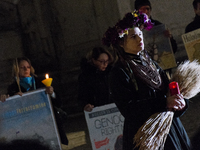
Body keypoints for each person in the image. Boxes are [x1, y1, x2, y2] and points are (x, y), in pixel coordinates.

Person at [102, 10, 191, 150]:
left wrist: (180, 103)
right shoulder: (119, 72)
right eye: (133, 37)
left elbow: (168, 92)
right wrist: (164, 103)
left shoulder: (151, 64)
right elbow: (129, 109)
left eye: (140, 35)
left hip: (170, 131)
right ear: (121, 43)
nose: (139, 39)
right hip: (145, 135)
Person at [0, 57, 68, 145]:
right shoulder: (13, 88)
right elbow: (11, 110)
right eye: (22, 67)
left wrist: (52, 93)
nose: (26, 69)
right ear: (16, 69)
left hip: (47, 124)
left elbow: (58, 103)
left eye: (28, 67)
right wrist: (7, 99)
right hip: (28, 127)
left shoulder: (41, 82)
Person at [78, 47, 114, 112]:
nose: (105, 64)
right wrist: (86, 105)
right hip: (97, 110)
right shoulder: (86, 77)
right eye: (102, 61)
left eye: (107, 61)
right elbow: (82, 96)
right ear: (94, 61)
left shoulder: (112, 72)